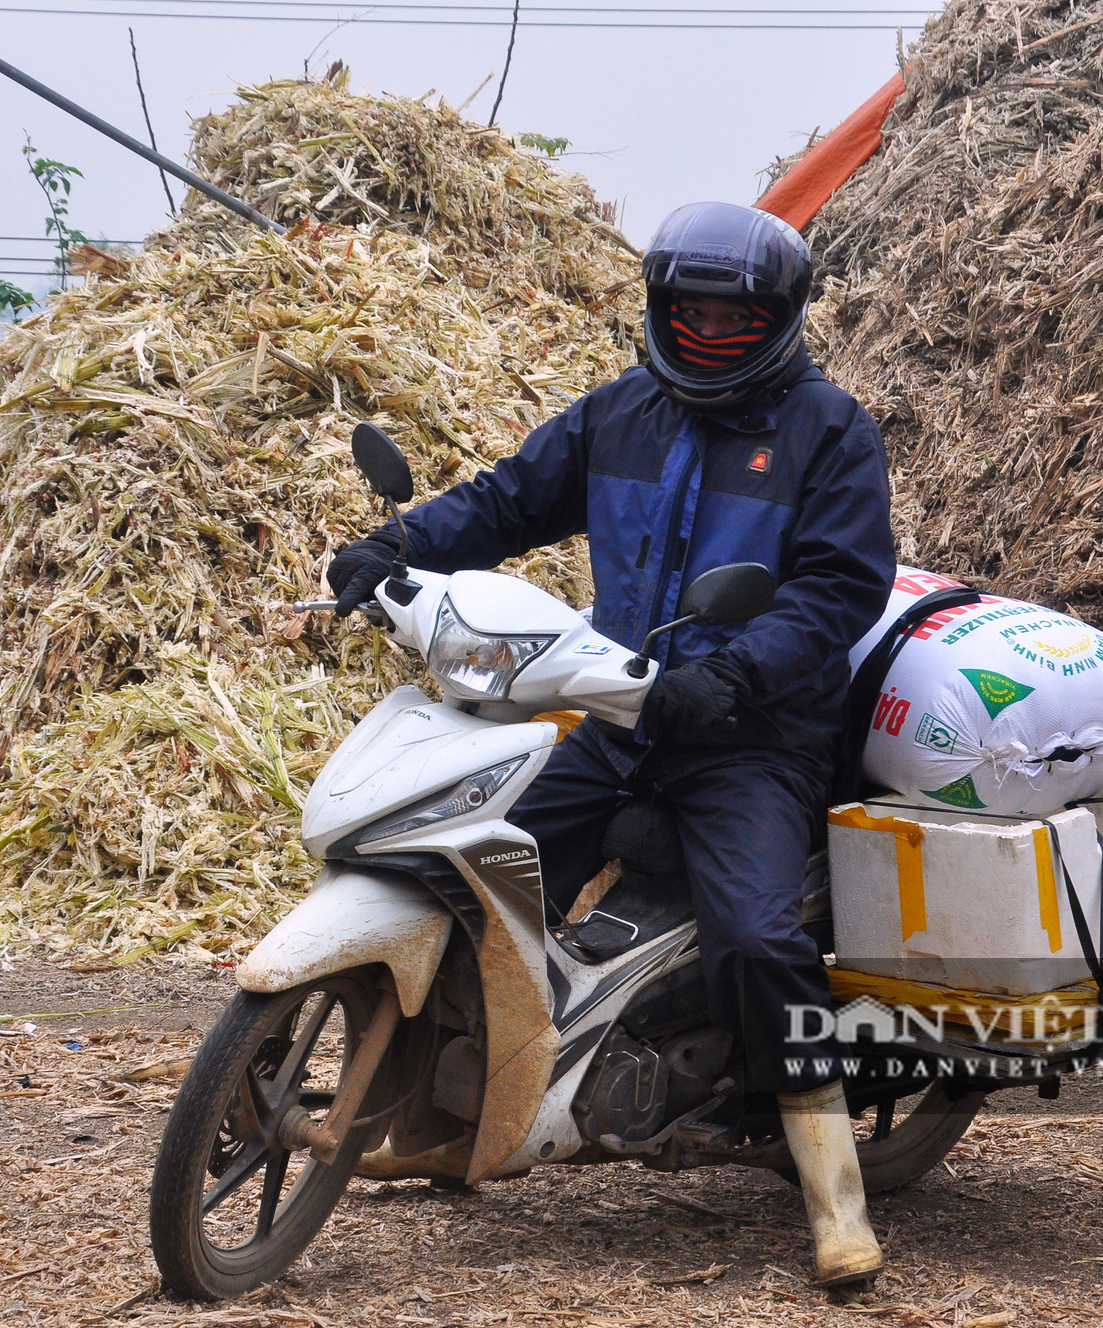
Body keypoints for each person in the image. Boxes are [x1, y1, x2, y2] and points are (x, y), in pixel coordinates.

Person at [325, 201, 896, 1291]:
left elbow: (837, 588)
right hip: (620, 710)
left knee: (757, 935)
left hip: (754, 736)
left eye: (737, 318)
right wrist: (393, 545)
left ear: (777, 318)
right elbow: (507, 500)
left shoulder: (829, 430)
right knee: (462, 866)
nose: (711, 332)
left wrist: (732, 671)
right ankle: (449, 1099)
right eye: (692, 312)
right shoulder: (619, 412)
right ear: (659, 309)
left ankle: (831, 1185)